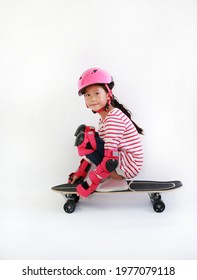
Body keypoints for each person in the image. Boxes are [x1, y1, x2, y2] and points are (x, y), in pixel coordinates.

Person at [68, 67, 144, 198]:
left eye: (97, 93)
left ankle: (117, 179)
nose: (92, 99)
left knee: (87, 139)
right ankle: (110, 175)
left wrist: (90, 184)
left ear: (108, 94)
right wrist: (80, 173)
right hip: (123, 160)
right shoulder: (106, 118)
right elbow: (99, 148)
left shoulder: (113, 119)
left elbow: (110, 159)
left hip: (128, 165)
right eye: (88, 95)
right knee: (87, 134)